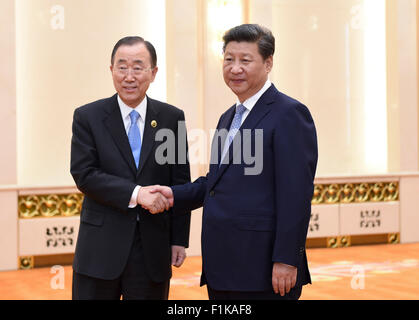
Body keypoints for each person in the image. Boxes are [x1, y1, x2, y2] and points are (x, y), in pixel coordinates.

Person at [150, 24, 318, 300]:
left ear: (268, 63)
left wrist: (288, 259)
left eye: (245, 60)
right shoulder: (228, 118)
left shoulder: (289, 114)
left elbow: (296, 195)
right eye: (229, 59)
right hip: (223, 266)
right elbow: (215, 183)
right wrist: (173, 194)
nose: (235, 68)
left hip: (264, 270)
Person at [70, 36, 191, 300]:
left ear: (153, 73)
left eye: (138, 67)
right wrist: (138, 194)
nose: (129, 75)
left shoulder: (171, 118)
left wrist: (179, 238)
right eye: (122, 66)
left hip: (152, 250)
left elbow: (179, 181)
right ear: (111, 70)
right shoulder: (88, 117)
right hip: (99, 250)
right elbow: (84, 174)